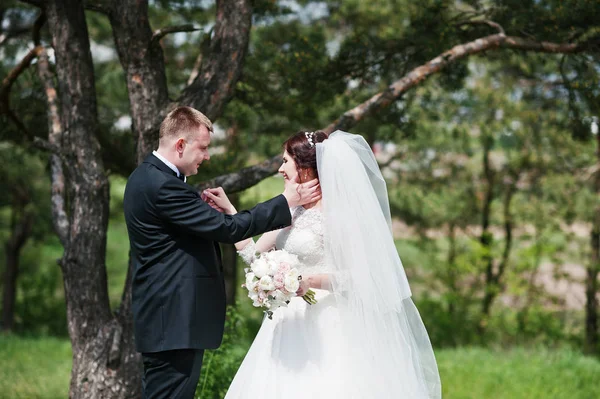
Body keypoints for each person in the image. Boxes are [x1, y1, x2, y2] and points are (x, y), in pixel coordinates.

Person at [204, 130, 442, 398]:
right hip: (286, 322)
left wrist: (309, 282)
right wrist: (230, 212)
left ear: (304, 165)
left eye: (285, 161)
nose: (281, 169)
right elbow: (252, 255)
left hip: (327, 321)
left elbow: (360, 275)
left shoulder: (338, 213)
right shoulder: (290, 209)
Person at [122, 106, 321, 399]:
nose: (207, 156)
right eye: (203, 148)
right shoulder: (164, 186)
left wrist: (219, 214)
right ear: (180, 145)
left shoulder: (150, 177)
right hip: (174, 323)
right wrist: (285, 200)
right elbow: (227, 230)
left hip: (168, 321)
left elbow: (212, 229)